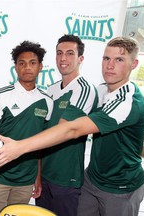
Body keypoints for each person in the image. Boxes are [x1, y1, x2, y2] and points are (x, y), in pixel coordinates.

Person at [0, 36, 144, 216]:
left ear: (134, 64)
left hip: (117, 185)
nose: (110, 65)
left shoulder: (122, 100)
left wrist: (18, 147)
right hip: (90, 179)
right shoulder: (97, 90)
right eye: (106, 59)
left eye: (119, 59)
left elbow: (71, 129)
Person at [0, 41, 54, 216]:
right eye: (22, 63)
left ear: (40, 67)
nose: (27, 67)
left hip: (25, 181)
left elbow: (40, 145)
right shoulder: (1, 95)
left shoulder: (47, 101)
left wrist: (37, 177)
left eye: (32, 63)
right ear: (15, 67)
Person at [36, 35, 98, 216]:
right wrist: (37, 174)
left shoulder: (84, 89)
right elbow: (42, 131)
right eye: (59, 53)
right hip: (45, 175)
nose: (63, 58)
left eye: (70, 53)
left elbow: (65, 130)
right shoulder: (50, 89)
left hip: (66, 178)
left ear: (81, 59)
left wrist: (19, 147)